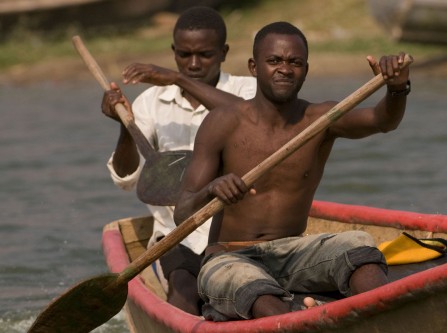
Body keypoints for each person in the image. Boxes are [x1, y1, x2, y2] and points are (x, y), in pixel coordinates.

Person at [173, 21, 412, 321]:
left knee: (359, 246)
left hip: (294, 253)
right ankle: (292, 323)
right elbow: (181, 213)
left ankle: (392, 319)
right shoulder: (222, 122)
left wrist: (397, 87)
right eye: (274, 61)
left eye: (294, 62)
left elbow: (382, 120)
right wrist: (212, 190)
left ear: (305, 70)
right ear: (254, 67)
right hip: (229, 256)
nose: (284, 69)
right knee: (250, 286)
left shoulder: (320, 119)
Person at [101, 6, 256, 316]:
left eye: (205, 55)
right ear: (174, 51)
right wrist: (125, 126)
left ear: (223, 52)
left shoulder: (247, 90)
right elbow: (125, 178)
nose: (193, 64)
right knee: (182, 296)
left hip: (239, 232)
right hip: (177, 236)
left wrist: (177, 79)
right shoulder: (151, 103)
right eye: (184, 55)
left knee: (249, 295)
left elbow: (251, 119)